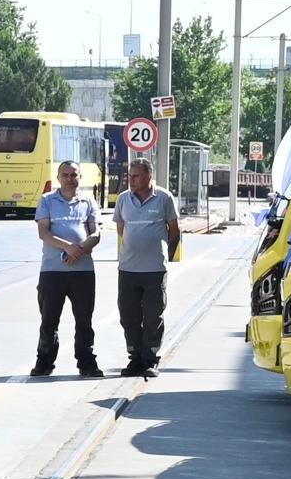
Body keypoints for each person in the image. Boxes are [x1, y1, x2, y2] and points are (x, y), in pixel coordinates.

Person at [30, 158, 104, 378]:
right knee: (49, 320)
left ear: (80, 177)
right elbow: (43, 233)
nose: (70, 179)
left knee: (84, 320)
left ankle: (86, 362)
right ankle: (44, 362)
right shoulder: (47, 200)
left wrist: (79, 250)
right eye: (66, 175)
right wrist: (68, 247)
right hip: (52, 272)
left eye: (74, 175)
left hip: (83, 273)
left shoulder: (89, 202)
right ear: (58, 177)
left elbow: (96, 233)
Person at [113, 153, 182, 375]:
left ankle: (150, 358)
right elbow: (121, 228)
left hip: (154, 270)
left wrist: (159, 249)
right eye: (129, 176)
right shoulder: (123, 199)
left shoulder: (164, 198)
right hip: (128, 269)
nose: (131, 180)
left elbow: (174, 229)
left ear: (149, 176)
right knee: (129, 316)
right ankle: (134, 358)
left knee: (153, 315)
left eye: (136, 176)